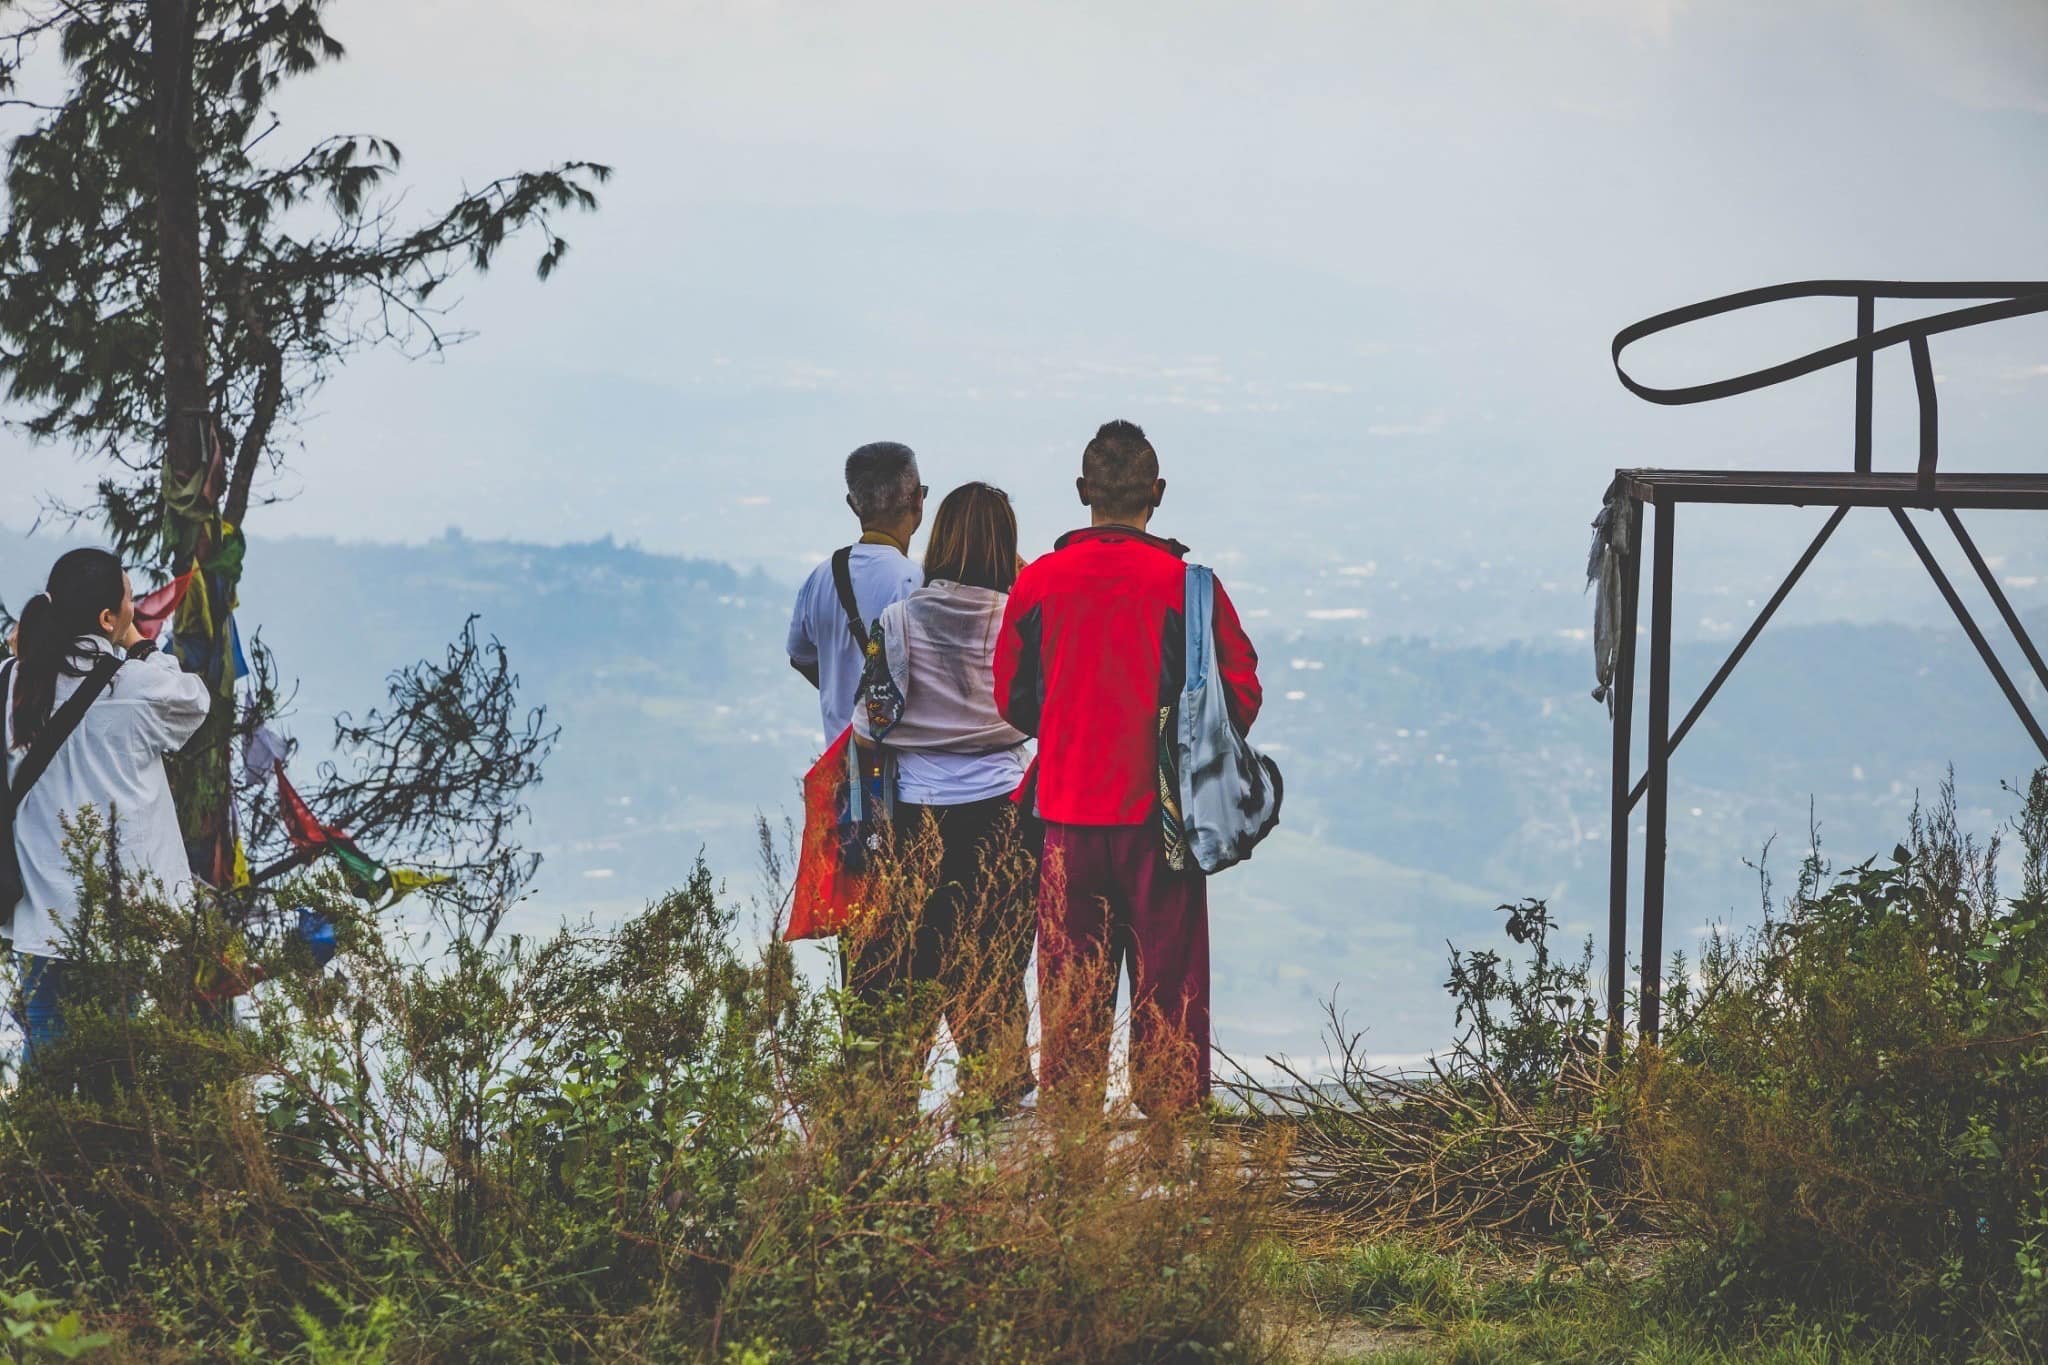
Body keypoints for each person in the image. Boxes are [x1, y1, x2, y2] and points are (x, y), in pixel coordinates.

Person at [994, 420, 1262, 1117]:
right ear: (1158, 493)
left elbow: (1012, 698)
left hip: (1065, 820)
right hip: (1164, 826)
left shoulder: (1039, 585)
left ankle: (1076, 1162)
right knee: (1170, 994)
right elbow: (1241, 694)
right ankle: (1172, 1155)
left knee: (1070, 997)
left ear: (1083, 491)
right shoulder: (1189, 587)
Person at [850, 483, 1036, 1112]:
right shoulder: (1022, 620)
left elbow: (870, 724)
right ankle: (999, 1102)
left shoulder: (899, 622)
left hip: (918, 816)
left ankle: (888, 1108)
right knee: (996, 968)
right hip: (1007, 813)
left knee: (911, 964)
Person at [5, 548, 211, 1069]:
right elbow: (194, 701)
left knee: (46, 1078)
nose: (134, 607)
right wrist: (140, 643)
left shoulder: (11, 680)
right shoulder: (135, 686)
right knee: (113, 1077)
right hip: (116, 930)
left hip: (40, 921)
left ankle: (36, 1153)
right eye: (129, 599)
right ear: (107, 619)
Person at [787, 441, 927, 745]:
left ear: (853, 504)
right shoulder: (916, 583)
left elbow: (800, 655)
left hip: (840, 767)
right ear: (917, 500)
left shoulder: (820, 578)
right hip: (899, 771)